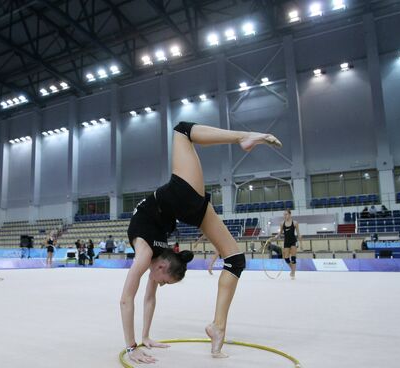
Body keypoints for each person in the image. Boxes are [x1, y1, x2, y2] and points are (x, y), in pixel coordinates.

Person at [120, 121, 281, 363]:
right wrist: (143, 338)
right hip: (181, 205)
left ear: (162, 267)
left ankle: (243, 137)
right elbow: (149, 297)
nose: (159, 284)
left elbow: (126, 299)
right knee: (234, 261)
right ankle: (218, 327)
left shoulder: (145, 255)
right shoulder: (160, 256)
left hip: (177, 198)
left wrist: (134, 347)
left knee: (182, 130)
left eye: (162, 281)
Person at [269, 210, 303, 280]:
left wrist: (301, 244)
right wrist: (276, 237)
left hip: (293, 241)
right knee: (286, 258)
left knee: (293, 258)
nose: (285, 216)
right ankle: (293, 270)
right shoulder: (282, 223)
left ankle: (293, 272)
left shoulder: (295, 223)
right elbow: (280, 233)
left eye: (286, 214)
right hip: (286, 242)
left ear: (290, 215)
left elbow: (299, 234)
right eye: (284, 215)